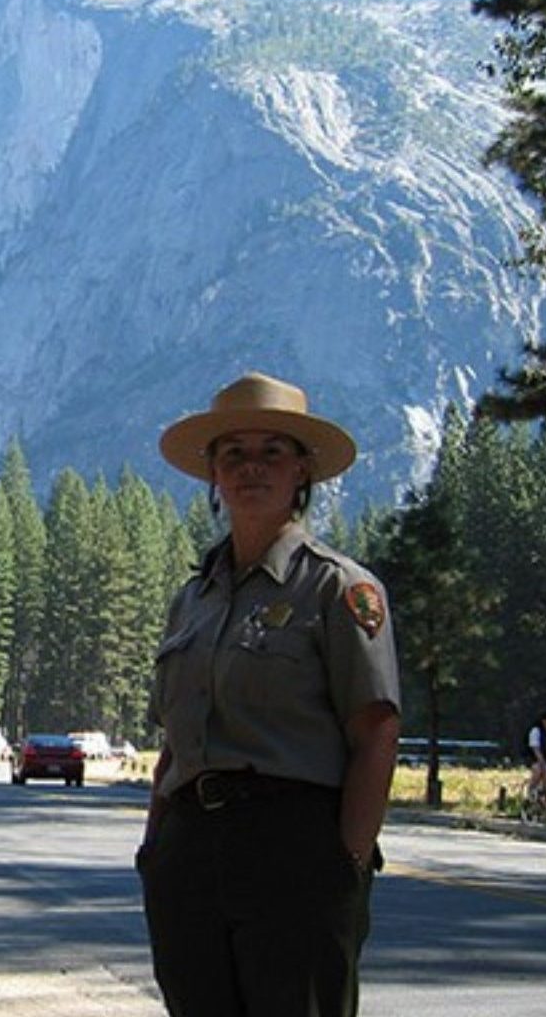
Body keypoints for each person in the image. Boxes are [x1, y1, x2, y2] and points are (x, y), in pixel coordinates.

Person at [137, 371, 402, 1017]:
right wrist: (157, 849)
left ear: (301, 472)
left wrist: (346, 864)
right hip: (190, 856)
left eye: (271, 453)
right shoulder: (190, 602)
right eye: (234, 454)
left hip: (295, 851)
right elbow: (175, 742)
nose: (251, 468)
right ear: (214, 477)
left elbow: (375, 734)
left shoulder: (338, 591)